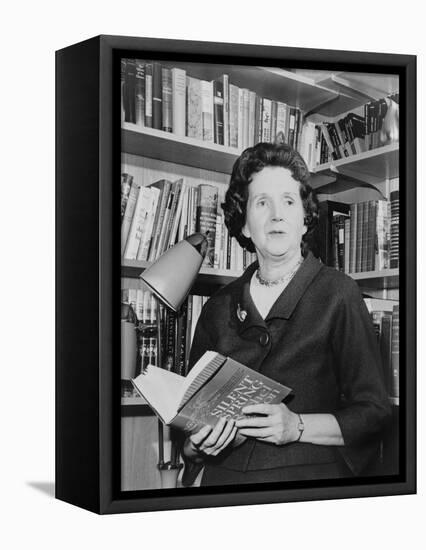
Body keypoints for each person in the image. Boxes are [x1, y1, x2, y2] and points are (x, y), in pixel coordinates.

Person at [181, 142, 391, 487]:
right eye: (262, 202)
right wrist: (194, 447)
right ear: (245, 224)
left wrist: (297, 426)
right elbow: (188, 421)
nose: (277, 214)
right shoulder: (217, 307)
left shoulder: (338, 292)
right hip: (222, 486)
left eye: (288, 201)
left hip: (307, 484)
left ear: (305, 220)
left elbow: (374, 413)